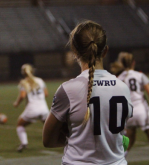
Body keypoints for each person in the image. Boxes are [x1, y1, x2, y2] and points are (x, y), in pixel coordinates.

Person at [43, 20, 133, 165]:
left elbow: (48, 140)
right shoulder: (123, 87)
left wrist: (72, 138)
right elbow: (120, 134)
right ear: (105, 51)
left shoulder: (67, 90)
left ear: (75, 52)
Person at [111, 52, 149, 165]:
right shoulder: (140, 75)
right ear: (133, 63)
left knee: (129, 141)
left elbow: (115, 99)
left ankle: (117, 162)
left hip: (128, 113)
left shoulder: (118, 78)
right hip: (142, 110)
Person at [13, 64, 49, 152]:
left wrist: (16, 103)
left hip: (32, 109)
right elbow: (46, 94)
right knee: (51, 127)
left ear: (22, 73)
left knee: (20, 125)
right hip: (44, 108)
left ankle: (24, 143)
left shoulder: (24, 82)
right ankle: (68, 140)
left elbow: (22, 95)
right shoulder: (40, 80)